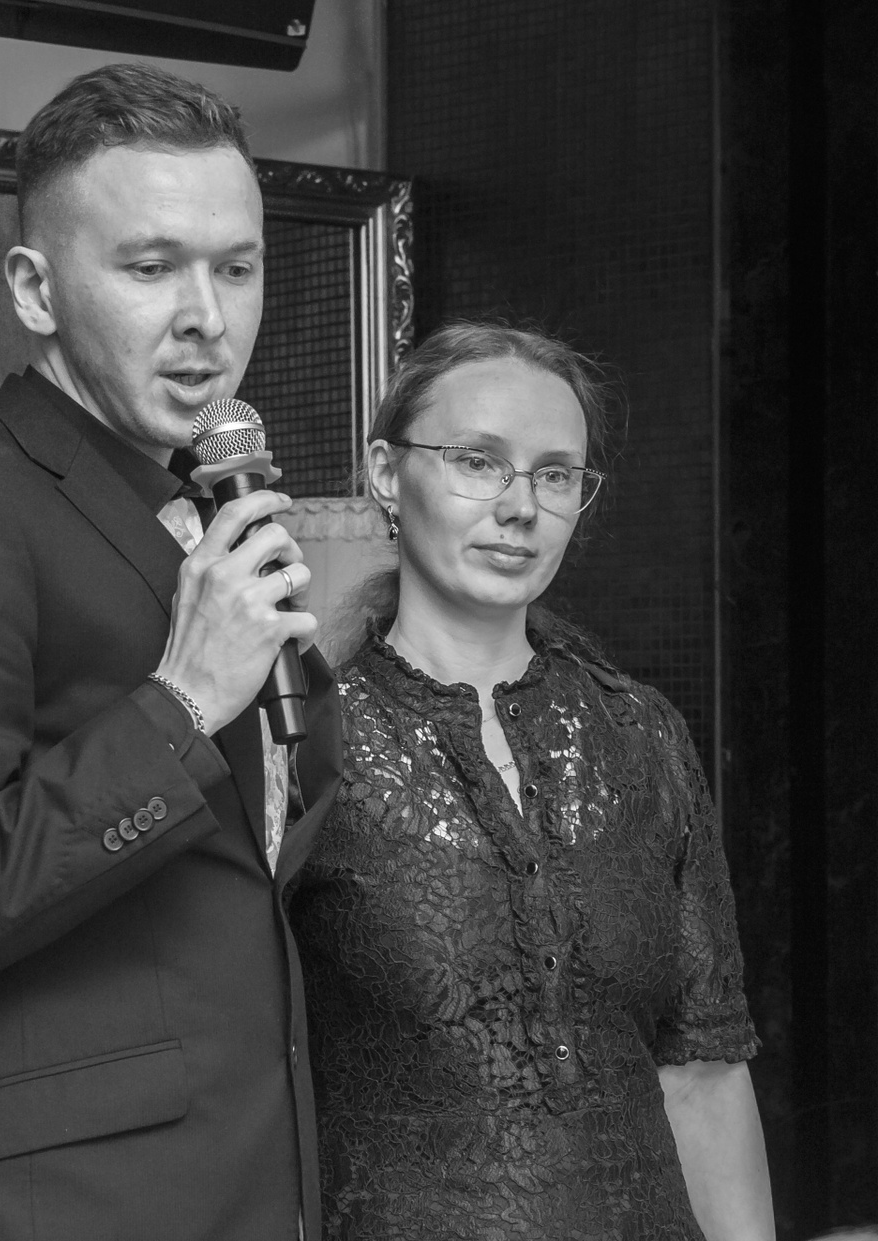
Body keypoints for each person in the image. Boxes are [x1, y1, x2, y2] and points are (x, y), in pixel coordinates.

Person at [0, 63, 343, 1240]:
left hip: (250, 1178)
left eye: (236, 267)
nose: (207, 315)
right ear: (35, 290)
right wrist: (181, 700)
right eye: (151, 268)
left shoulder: (206, 503)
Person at [289, 323, 775, 1239]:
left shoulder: (642, 737)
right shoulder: (306, 741)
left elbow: (704, 1073)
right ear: (387, 473)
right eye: (479, 461)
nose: (520, 507)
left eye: (556, 475)